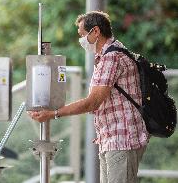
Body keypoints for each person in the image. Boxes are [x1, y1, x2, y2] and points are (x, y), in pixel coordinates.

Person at [28, 11, 149, 183]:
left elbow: (92, 102)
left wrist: (53, 113)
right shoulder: (109, 54)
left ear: (96, 31)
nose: (81, 40)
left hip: (122, 138)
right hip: (111, 138)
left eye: (83, 34)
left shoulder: (111, 58)